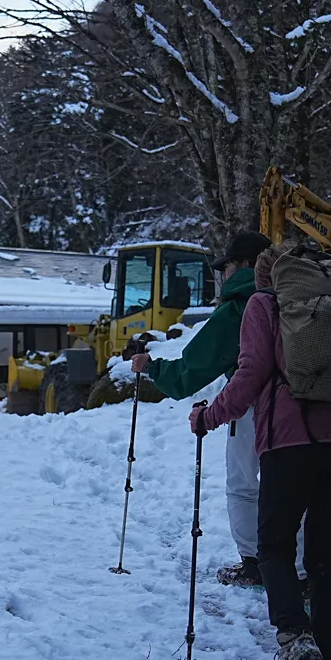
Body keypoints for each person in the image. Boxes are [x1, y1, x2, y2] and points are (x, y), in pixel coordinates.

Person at [192, 244, 331, 660]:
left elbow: (248, 377)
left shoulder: (264, 306)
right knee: (324, 549)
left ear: (270, 277)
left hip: (289, 442)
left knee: (275, 544)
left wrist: (209, 417)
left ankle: (293, 637)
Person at [130, 230, 270, 587]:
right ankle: (302, 570)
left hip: (253, 405)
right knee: (294, 488)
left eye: (227, 266)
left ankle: (255, 563)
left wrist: (152, 367)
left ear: (244, 265)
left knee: (243, 485)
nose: (222, 274)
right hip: (307, 403)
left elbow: (188, 374)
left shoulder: (240, 306)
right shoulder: (297, 296)